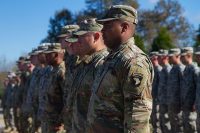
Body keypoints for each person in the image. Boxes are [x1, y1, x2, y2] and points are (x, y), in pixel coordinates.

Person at [87, 5, 154, 133]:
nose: (102, 31)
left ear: (124, 27)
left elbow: (137, 118)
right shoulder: (112, 58)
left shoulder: (133, 61)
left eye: (108, 26)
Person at [65, 18, 108, 133]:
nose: (77, 41)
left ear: (97, 37)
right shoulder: (86, 63)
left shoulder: (104, 64)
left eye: (82, 36)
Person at [40, 43, 65, 133]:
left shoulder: (62, 71)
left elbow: (66, 99)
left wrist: (61, 121)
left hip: (57, 123)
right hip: (48, 120)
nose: (45, 56)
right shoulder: (52, 70)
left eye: (48, 54)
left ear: (56, 55)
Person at [180, 47, 198, 133]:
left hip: (192, 107)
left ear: (189, 55)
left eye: (183, 56)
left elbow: (197, 88)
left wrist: (195, 103)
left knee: (192, 127)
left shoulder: (195, 69)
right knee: (186, 127)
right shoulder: (186, 69)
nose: (181, 58)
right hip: (185, 105)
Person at [167, 48, 185, 133]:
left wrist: (181, 104)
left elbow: (184, 88)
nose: (169, 58)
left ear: (178, 56)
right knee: (173, 127)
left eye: (171, 56)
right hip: (171, 104)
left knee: (180, 127)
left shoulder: (181, 69)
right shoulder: (173, 69)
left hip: (178, 106)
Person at [157, 49, 172, 133]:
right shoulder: (163, 69)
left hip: (167, 102)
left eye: (160, 57)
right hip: (162, 100)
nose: (158, 59)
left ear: (165, 58)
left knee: (167, 125)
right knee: (163, 124)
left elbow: (172, 87)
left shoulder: (169, 69)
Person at [150, 51, 162, 133]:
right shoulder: (153, 69)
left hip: (158, 98)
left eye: (152, 59)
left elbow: (162, 85)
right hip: (153, 97)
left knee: (157, 119)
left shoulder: (159, 69)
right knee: (154, 119)